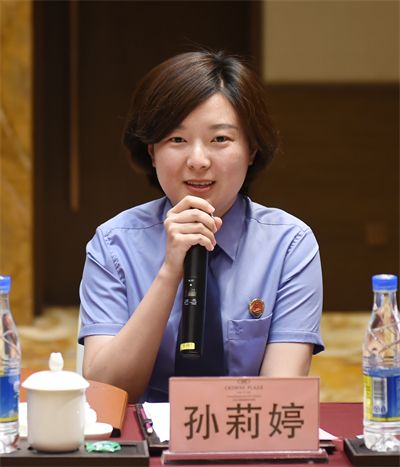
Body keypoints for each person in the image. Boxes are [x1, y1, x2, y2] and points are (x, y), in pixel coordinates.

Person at [78, 50, 324, 403]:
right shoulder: (113, 244)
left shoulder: (289, 245)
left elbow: (280, 396)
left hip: (244, 431)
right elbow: (104, 394)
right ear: (151, 151)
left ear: (252, 150)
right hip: (142, 436)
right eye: (176, 140)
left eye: (219, 139)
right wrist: (169, 272)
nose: (197, 161)